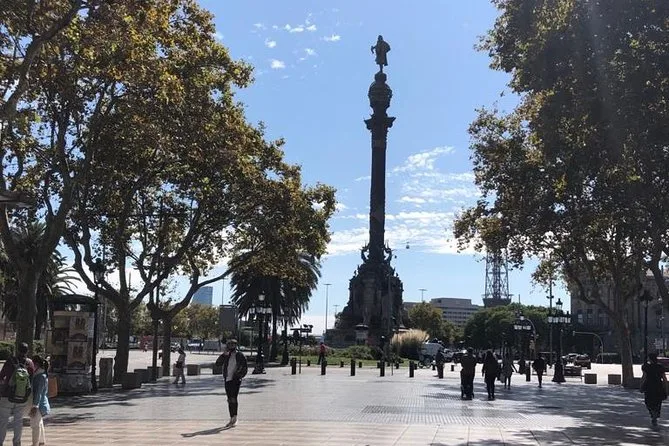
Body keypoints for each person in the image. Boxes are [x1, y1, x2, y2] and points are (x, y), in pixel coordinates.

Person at [0, 342, 36, 445]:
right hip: (22, 397)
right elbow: (31, 380)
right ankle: (17, 442)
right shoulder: (30, 363)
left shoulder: (10, 361)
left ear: (17, 350)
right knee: (18, 421)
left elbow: (1, 376)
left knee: (3, 421)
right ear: (27, 351)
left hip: (7, 395)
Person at [215, 339, 248, 428]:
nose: (231, 346)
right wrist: (223, 355)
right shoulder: (226, 355)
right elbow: (217, 364)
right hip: (227, 379)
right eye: (230, 344)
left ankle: (235, 418)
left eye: (233, 344)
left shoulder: (239, 355)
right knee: (229, 399)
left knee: (233, 398)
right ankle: (232, 417)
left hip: (235, 380)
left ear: (236, 345)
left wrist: (239, 376)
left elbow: (244, 367)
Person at [642, 352, 668, 427]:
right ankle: (655, 414)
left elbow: (644, 377)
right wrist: (666, 388)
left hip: (649, 386)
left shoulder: (646, 367)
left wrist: (641, 385)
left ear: (650, 359)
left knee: (648, 401)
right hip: (658, 386)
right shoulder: (660, 367)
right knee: (658, 402)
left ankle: (652, 413)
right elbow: (664, 378)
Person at [29, 355, 50, 446]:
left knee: (35, 424)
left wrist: (34, 406)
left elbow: (38, 393)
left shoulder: (40, 376)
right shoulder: (41, 375)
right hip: (41, 403)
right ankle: (41, 441)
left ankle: (35, 443)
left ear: (36, 364)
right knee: (39, 422)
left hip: (38, 403)